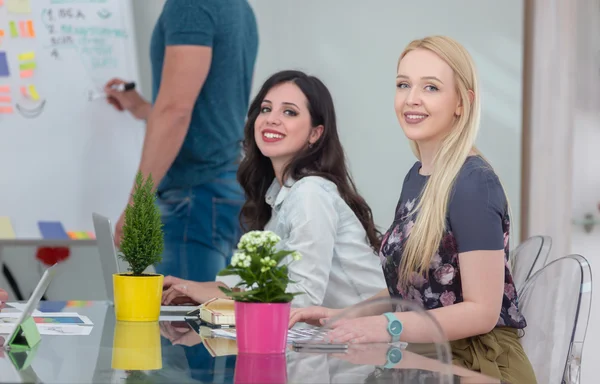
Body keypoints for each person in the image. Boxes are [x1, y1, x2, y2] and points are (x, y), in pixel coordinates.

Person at [288, 36, 537, 383]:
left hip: (478, 364)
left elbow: (482, 312)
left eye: (431, 87)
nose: (411, 99)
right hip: (425, 356)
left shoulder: (473, 183)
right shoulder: (418, 176)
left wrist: (384, 326)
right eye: (403, 84)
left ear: (462, 103)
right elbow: (411, 292)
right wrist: (344, 314)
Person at [162, 70, 386, 308]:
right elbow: (238, 285)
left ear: (315, 133)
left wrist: (216, 296)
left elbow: (303, 296)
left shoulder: (311, 193)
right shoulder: (277, 196)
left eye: (289, 112)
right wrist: (186, 290)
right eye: (266, 109)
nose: (271, 119)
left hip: (372, 338)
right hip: (327, 338)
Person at [104, 0, 259, 282]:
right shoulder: (239, 7)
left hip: (195, 194)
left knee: (186, 321)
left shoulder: (190, 5)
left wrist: (138, 203)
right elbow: (207, 108)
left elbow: (176, 110)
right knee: (213, 318)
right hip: (221, 187)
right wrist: (140, 108)